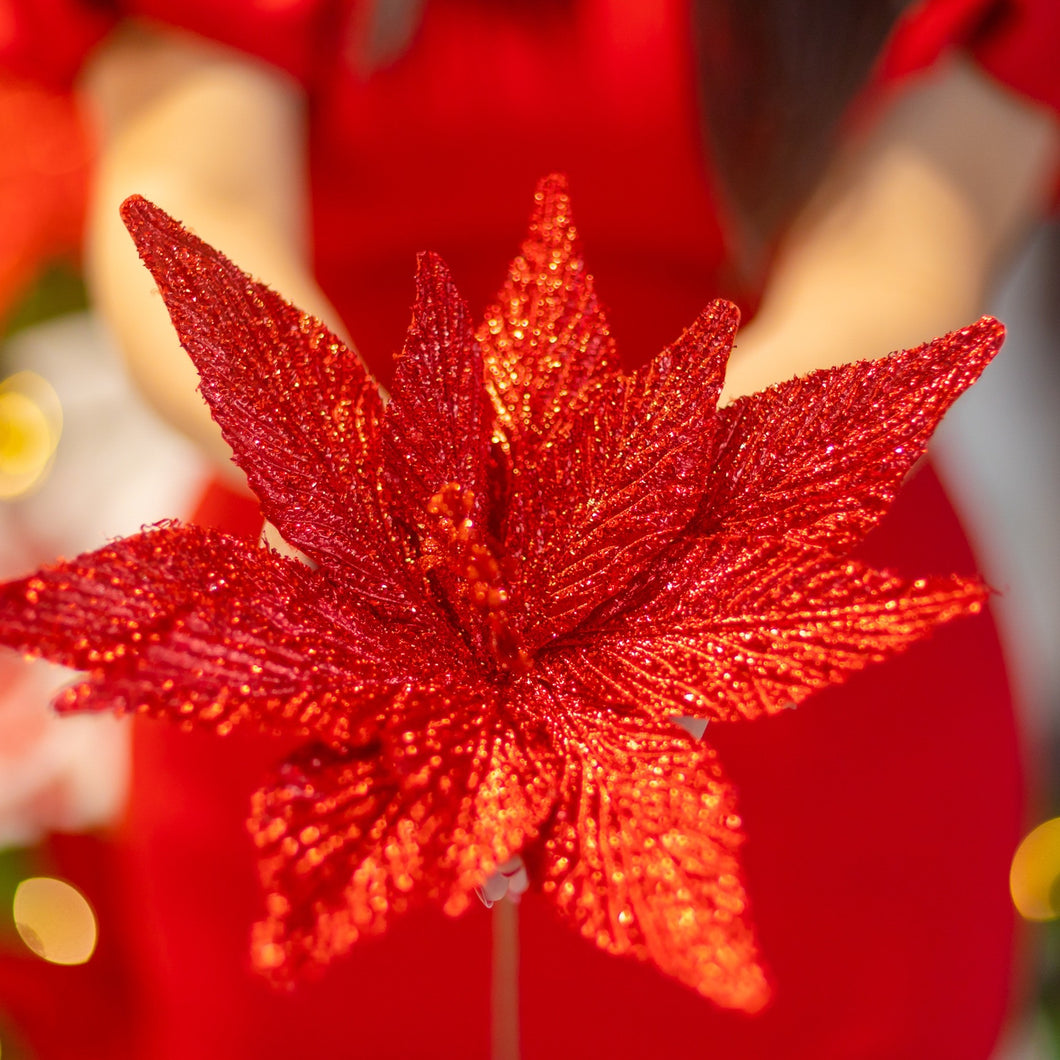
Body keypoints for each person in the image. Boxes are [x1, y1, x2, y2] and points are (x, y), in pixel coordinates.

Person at [1, 1, 1058, 1057]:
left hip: (789, 698)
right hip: (331, 623)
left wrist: (637, 521)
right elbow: (187, 193)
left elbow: (901, 256)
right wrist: (354, 487)